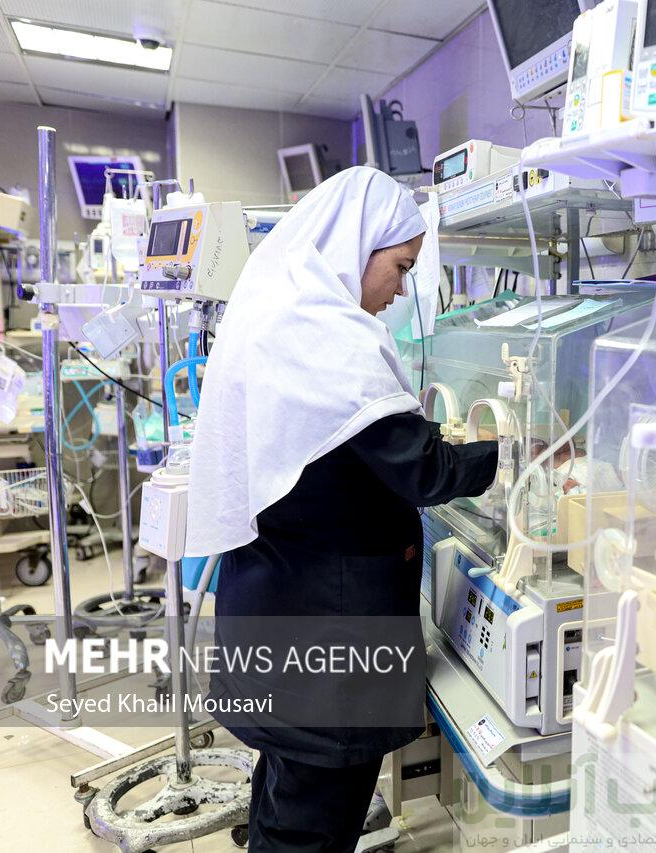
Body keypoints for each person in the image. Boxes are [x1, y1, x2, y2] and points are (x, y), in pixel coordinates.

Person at [185, 167, 499, 851]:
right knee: (313, 820)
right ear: (358, 245)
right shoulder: (324, 337)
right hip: (321, 635)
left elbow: (359, 447)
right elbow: (423, 468)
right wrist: (511, 453)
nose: (400, 290)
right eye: (401, 267)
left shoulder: (281, 311)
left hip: (278, 601)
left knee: (287, 791)